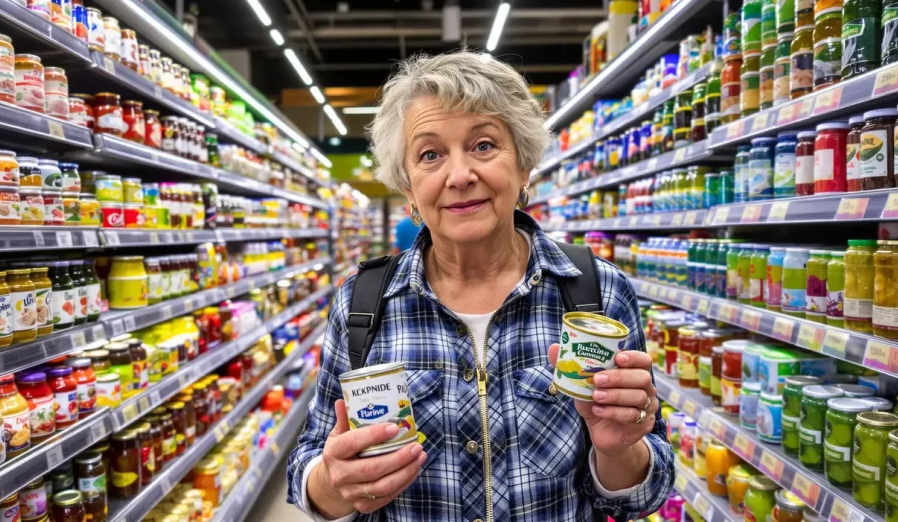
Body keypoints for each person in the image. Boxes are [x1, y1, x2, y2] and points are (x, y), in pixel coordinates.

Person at [287, 51, 673, 521]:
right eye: (430, 154)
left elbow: (644, 495)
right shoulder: (363, 305)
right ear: (408, 188)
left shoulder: (597, 291)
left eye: (484, 145)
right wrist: (333, 482)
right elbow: (309, 460)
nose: (460, 175)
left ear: (524, 166)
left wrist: (617, 452)